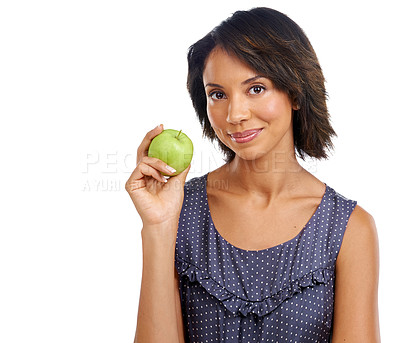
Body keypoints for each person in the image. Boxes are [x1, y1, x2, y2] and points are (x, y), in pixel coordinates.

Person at [126, 7, 380, 343]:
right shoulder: (179, 212)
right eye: (218, 94)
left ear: (294, 92)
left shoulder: (349, 229)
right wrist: (158, 228)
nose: (235, 114)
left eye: (256, 88)